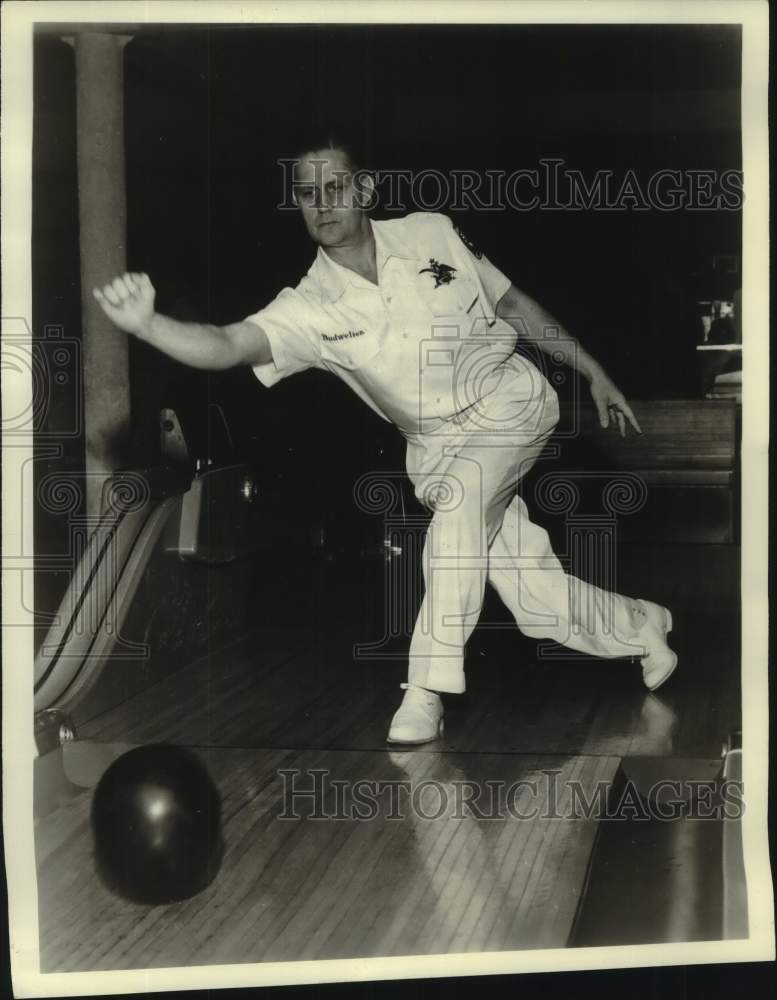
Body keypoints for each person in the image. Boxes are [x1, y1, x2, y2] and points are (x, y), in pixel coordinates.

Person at [94, 140, 678, 745]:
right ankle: (641, 624)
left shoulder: (431, 233)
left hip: (511, 403)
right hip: (435, 445)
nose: (322, 204)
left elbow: (514, 306)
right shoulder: (308, 308)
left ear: (366, 191)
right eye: (307, 193)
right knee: (534, 598)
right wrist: (149, 326)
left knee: (459, 504)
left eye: (335, 189)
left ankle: (425, 690)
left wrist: (591, 370)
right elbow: (226, 344)